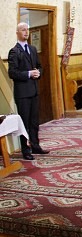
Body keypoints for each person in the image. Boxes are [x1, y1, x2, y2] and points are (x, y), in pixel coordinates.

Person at [8, 21, 49, 160]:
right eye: (23, 30)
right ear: (18, 33)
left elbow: (39, 66)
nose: (26, 32)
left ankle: (35, 146)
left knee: (34, 121)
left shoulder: (32, 49)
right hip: (23, 94)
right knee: (24, 122)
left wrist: (38, 72)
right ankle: (26, 150)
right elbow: (12, 73)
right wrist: (28, 74)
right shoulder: (14, 51)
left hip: (34, 91)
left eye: (27, 29)